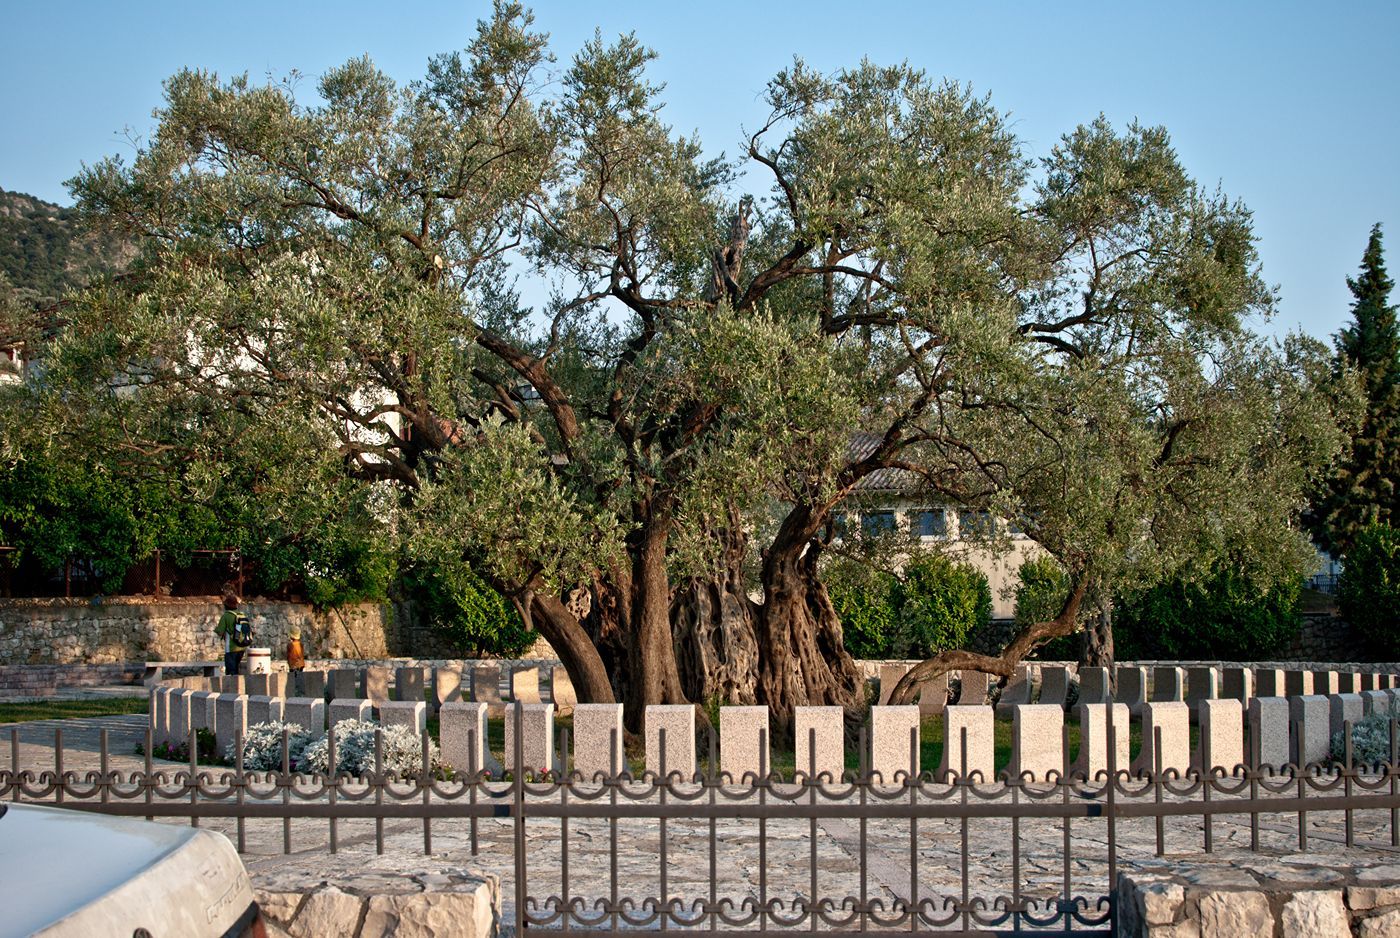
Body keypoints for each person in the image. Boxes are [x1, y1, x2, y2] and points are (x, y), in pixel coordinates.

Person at [214, 595, 250, 677]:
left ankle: (232, 689)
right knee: (236, 671)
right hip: (242, 647)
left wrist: (216, 629)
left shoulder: (226, 616)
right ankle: (238, 688)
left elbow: (220, 632)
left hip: (231, 648)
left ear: (226, 605)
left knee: (231, 673)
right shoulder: (241, 615)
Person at [286, 626, 306, 695]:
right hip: (301, 665)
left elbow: (288, 656)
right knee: (299, 681)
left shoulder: (290, 645)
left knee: (293, 683)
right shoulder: (301, 644)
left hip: (293, 666)